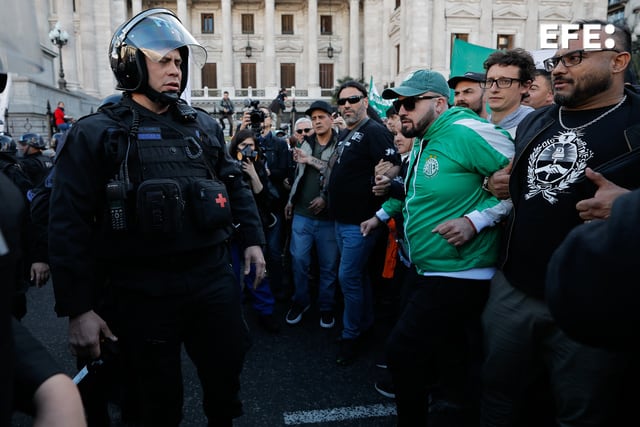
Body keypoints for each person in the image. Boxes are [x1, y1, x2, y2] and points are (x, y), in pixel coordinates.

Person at [48, 8, 266, 426]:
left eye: (179, 62)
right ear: (131, 63)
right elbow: (67, 223)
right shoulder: (97, 133)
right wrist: (78, 309)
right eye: (164, 60)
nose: (176, 71)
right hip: (139, 289)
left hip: (211, 279)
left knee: (225, 376)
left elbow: (233, 183)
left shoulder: (201, 126)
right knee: (152, 401)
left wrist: (253, 240)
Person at [481, 20, 637, 426]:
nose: (559, 69)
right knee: (499, 396)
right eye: (557, 59)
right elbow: (518, 182)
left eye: (576, 58)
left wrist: (630, 205)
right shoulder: (538, 119)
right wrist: (500, 183)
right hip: (515, 291)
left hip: (596, 305)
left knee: (580, 413)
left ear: (619, 61)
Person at [358, 69, 513, 425]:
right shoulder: (428, 137)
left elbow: (527, 184)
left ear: (439, 103)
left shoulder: (466, 130)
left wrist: (475, 220)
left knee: (402, 352)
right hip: (426, 267)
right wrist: (382, 213)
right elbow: (418, 197)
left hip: (460, 270)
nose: (402, 112)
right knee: (449, 357)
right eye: (399, 105)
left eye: (410, 103)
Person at [325, 80, 400, 366]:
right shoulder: (346, 133)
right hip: (341, 221)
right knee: (357, 278)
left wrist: (385, 179)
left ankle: (351, 335)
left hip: (361, 222)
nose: (346, 106)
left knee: (349, 279)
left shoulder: (375, 130)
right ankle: (364, 325)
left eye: (352, 100)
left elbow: (394, 163)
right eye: (341, 102)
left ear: (365, 102)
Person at [285, 100, 339, 328]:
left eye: (321, 117)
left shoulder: (341, 143)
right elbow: (299, 174)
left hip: (328, 219)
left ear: (331, 118)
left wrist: (325, 198)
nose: (317, 122)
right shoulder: (305, 142)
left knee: (328, 267)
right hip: (301, 214)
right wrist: (290, 200)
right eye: (313, 118)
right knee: (298, 261)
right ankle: (301, 301)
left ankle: (326, 307)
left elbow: (336, 171)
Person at [228, 129, 280, 334]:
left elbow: (266, 197)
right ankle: (232, 313)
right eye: (243, 146)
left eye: (251, 145)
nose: (247, 150)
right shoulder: (226, 167)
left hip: (253, 228)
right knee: (231, 273)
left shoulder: (258, 166)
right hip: (231, 228)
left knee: (257, 270)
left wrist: (252, 173)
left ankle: (265, 311)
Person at [239, 105, 293, 301]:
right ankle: (251, 290)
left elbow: (286, 171)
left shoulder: (278, 143)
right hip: (252, 206)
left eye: (264, 116)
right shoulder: (247, 141)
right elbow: (233, 162)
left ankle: (277, 290)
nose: (260, 119)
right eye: (257, 116)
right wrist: (242, 130)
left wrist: (268, 172)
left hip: (273, 205)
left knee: (273, 250)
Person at [481, 48, 536, 136]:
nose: (493, 89)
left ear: (525, 86)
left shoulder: (535, 128)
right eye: (489, 81)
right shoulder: (480, 128)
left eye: (504, 81)